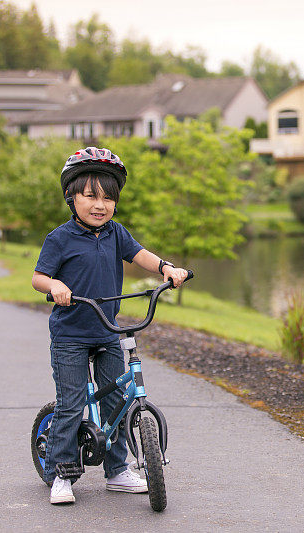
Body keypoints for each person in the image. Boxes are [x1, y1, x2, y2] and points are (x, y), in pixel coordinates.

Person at [31, 147, 188, 505]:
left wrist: (165, 267)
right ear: (72, 198)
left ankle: (117, 470)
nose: (99, 205)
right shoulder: (60, 238)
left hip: (106, 330)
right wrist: (55, 286)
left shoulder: (116, 233)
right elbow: (39, 277)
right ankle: (61, 474)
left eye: (108, 198)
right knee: (71, 405)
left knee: (115, 401)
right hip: (70, 334)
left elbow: (139, 254)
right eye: (90, 196)